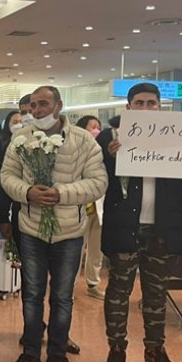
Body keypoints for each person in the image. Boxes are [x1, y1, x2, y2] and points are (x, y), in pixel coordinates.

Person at [1, 85, 107, 362]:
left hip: (70, 231)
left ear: (59, 106)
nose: (37, 110)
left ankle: (57, 354)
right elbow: (6, 176)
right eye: (33, 105)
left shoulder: (83, 140)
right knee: (32, 295)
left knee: (62, 296)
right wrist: (27, 192)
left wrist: (61, 194)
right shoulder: (21, 138)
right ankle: (30, 352)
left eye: (44, 104)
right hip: (31, 229)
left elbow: (98, 182)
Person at [96, 83, 182, 362]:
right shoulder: (109, 138)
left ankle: (155, 350)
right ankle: (117, 348)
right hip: (125, 228)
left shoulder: (178, 139)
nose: (146, 108)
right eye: (139, 102)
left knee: (156, 295)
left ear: (160, 107)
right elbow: (96, 179)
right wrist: (111, 158)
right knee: (118, 293)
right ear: (128, 107)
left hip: (162, 230)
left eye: (152, 103)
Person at [74, 115, 106, 301]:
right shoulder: (74, 149)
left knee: (96, 248)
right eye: (93, 126)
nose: (96, 130)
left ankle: (93, 283)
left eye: (98, 126)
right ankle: (68, 284)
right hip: (79, 206)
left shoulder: (103, 151)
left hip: (98, 205)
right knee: (76, 249)